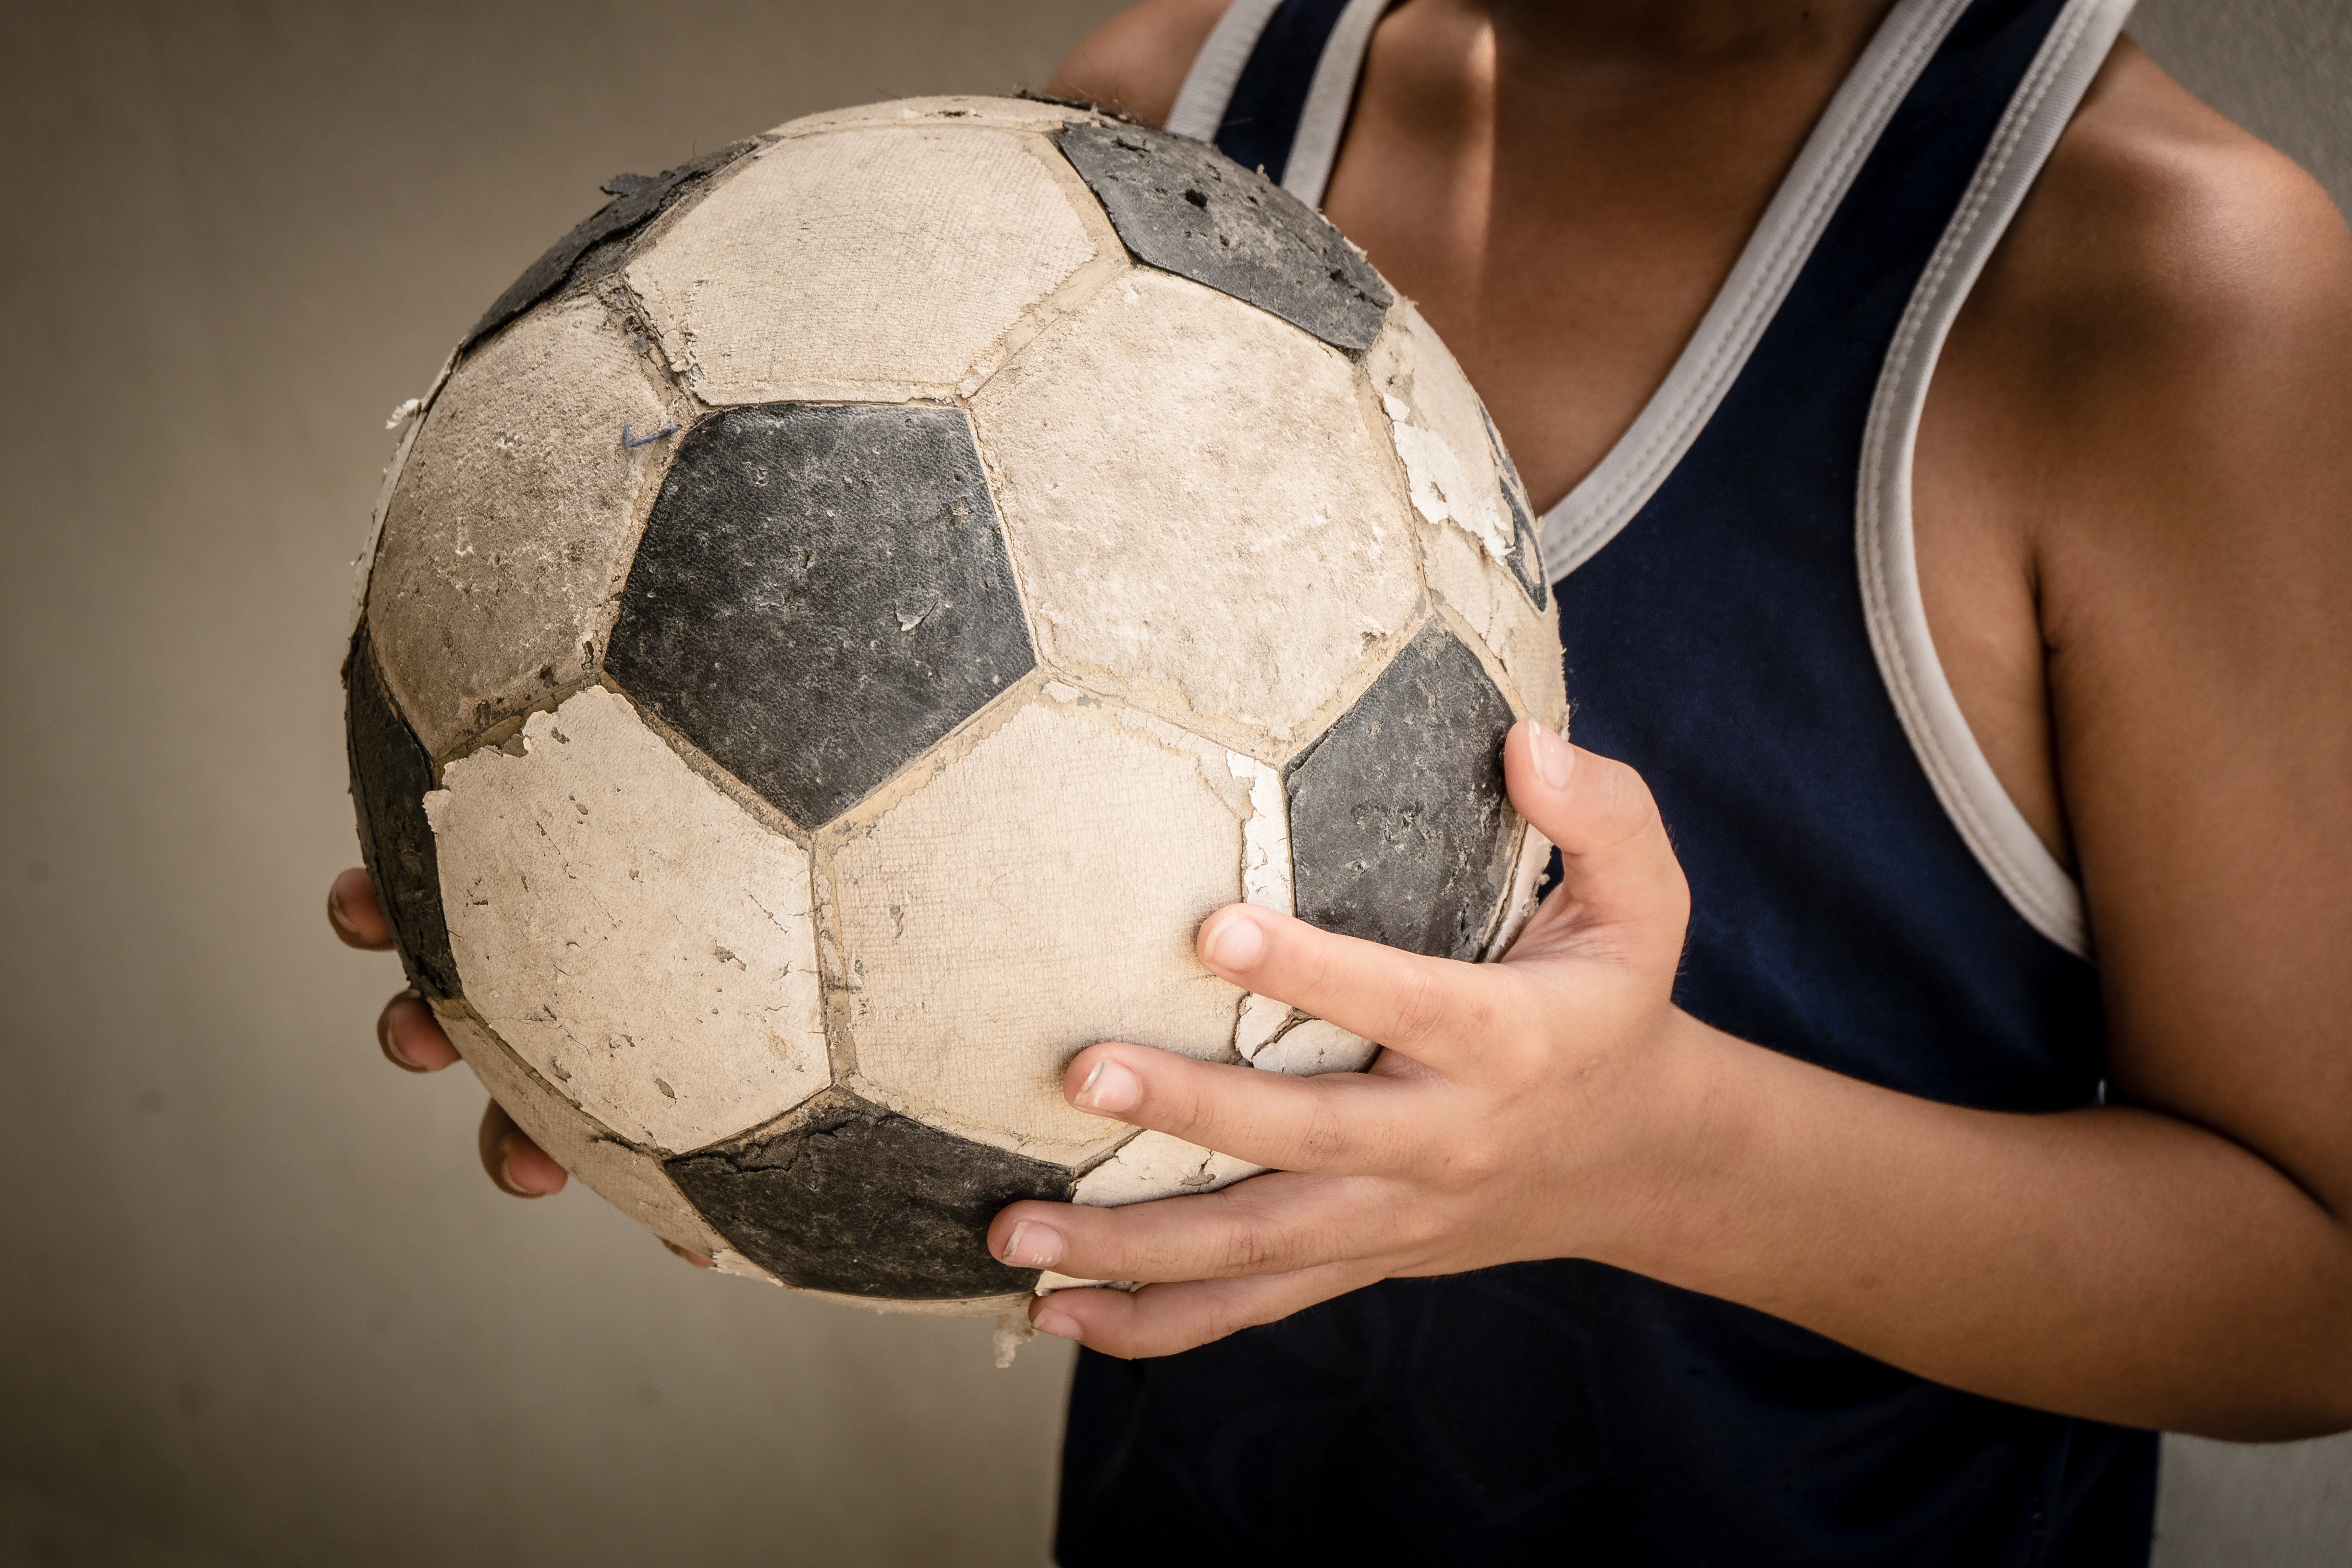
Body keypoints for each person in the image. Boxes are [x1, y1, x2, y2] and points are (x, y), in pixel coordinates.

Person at [331, 0, 2352, 1558]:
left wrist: (1645, 1152)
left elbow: (2312, 1295)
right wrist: (641, 984)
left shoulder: (2161, 287)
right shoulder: (1173, 112)